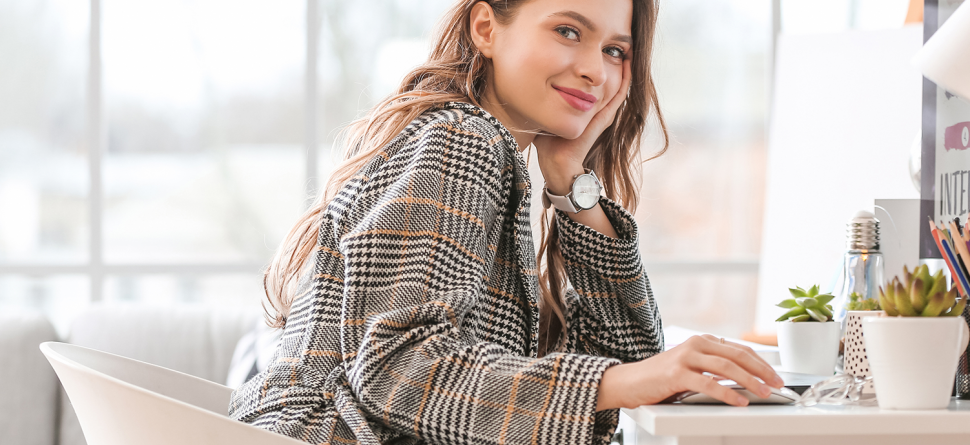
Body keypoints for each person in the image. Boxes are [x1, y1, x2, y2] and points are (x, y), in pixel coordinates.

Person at [229, 1, 782, 444]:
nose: (595, 67)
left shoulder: (496, 155)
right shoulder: (464, 142)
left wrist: (572, 182)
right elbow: (398, 368)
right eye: (568, 31)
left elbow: (635, 369)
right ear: (487, 28)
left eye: (615, 50)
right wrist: (624, 382)